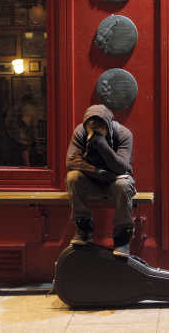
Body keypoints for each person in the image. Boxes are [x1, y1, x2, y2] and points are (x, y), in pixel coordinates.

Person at [65, 104, 136, 256]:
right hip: (94, 180)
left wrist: (101, 145)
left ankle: (122, 236)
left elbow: (121, 168)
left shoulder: (123, 134)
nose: (95, 130)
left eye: (100, 126)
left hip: (116, 180)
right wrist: (98, 172)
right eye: (92, 126)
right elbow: (71, 161)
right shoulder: (80, 132)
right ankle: (83, 226)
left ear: (108, 125)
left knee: (123, 185)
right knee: (73, 177)